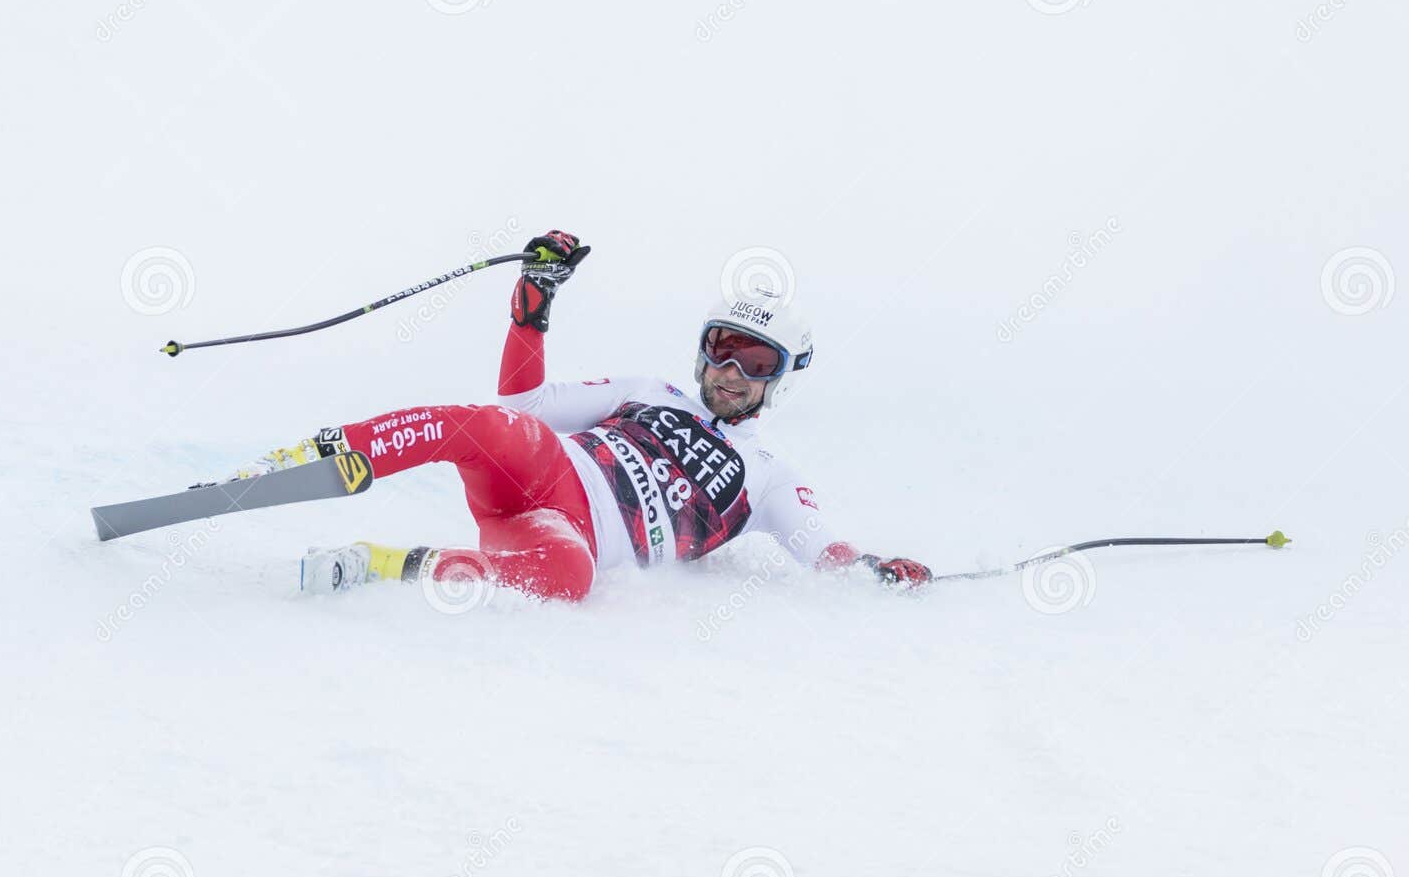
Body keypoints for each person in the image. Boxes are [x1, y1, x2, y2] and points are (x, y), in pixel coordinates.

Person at [226, 230, 931, 601]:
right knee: (491, 428)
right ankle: (311, 457)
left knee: (571, 578)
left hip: (558, 530)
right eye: (722, 348)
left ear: (783, 377)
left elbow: (824, 551)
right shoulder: (651, 391)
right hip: (549, 466)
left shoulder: (770, 478)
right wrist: (533, 306)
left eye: (756, 360)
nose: (731, 372)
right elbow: (525, 405)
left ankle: (379, 566)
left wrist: (875, 569)